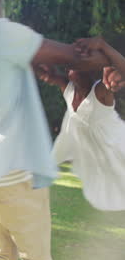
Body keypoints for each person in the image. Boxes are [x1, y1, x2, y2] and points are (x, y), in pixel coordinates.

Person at [0, 0, 111, 260]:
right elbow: (80, 59)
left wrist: (21, 64)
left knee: (2, 254)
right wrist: (108, 49)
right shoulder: (0, 34)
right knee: (36, 258)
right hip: (13, 173)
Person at [36, 37, 125, 211]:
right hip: (97, 157)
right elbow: (46, 73)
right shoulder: (68, 89)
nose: (69, 67)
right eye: (69, 66)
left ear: (87, 70)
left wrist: (103, 45)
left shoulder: (100, 91)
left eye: (74, 65)